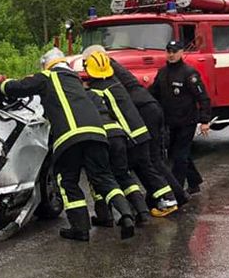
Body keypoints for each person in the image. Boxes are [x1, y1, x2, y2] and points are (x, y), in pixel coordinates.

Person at [0, 48, 136, 241]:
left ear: (47, 64)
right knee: (104, 178)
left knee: (68, 181)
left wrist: (2, 83)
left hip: (70, 137)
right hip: (98, 135)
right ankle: (126, 215)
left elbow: (17, 88)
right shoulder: (76, 80)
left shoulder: (47, 77)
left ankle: (80, 229)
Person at [82, 45, 191, 207]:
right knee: (152, 159)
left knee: (150, 160)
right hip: (148, 107)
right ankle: (168, 194)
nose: (85, 66)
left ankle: (175, 195)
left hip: (142, 111)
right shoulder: (110, 65)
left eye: (85, 62)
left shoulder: (102, 67)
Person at [149, 40, 212, 195]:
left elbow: (203, 97)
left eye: (174, 51)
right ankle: (194, 181)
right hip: (170, 122)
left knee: (179, 156)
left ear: (181, 52)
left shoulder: (189, 73)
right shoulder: (162, 72)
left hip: (187, 122)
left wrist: (205, 121)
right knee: (178, 154)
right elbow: (153, 93)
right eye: (168, 51)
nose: (171, 55)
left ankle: (177, 192)